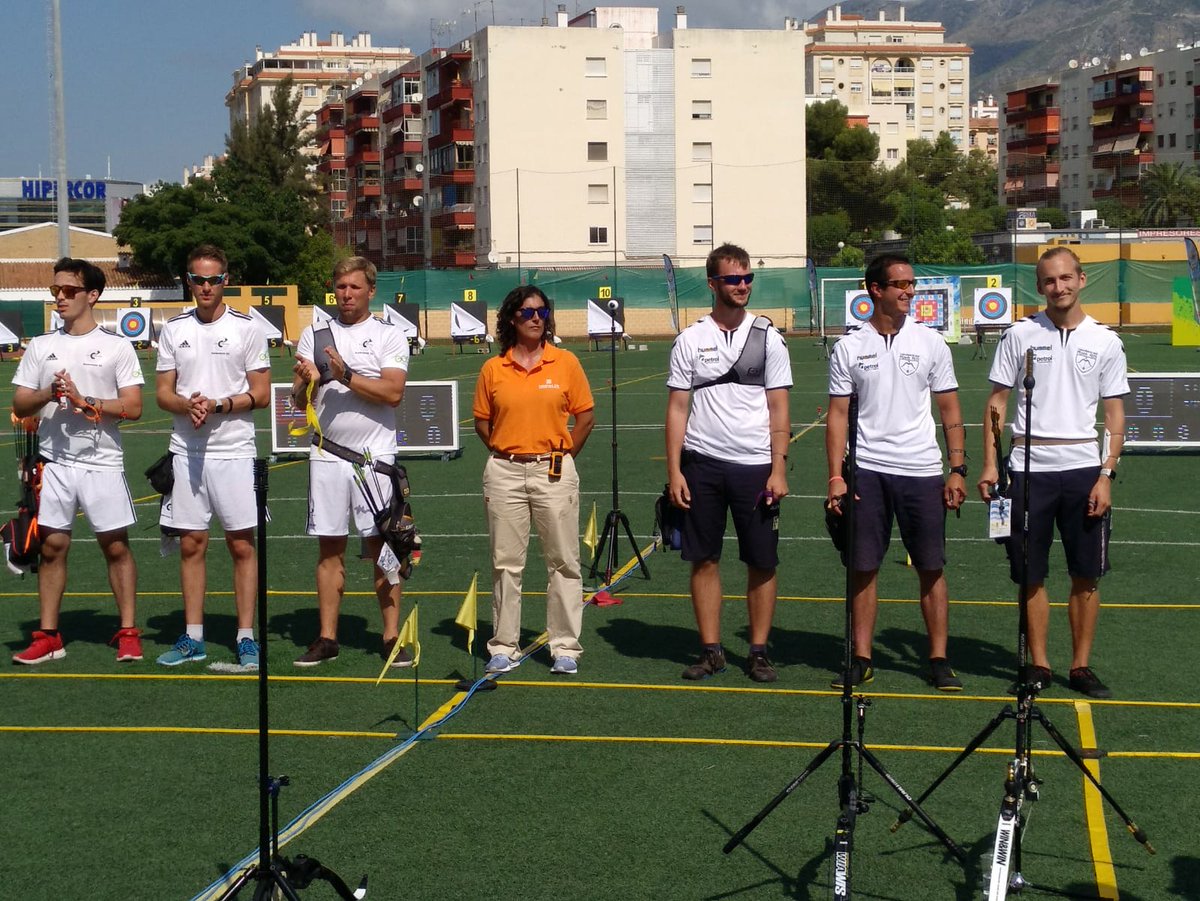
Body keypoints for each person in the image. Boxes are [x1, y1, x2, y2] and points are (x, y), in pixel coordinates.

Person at [977, 246, 1128, 699]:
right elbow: (997, 404)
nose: (1058, 287)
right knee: (1030, 573)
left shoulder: (1105, 340)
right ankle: (1039, 665)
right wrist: (990, 462)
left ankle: (1080, 666)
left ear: (1081, 280)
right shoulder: (1019, 336)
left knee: (1086, 573)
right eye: (1048, 281)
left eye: (1065, 278)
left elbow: (1115, 416)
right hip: (1027, 469)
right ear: (1038, 286)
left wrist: (1107, 474)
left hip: (1083, 469)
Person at [825, 254, 967, 691]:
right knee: (863, 568)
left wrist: (957, 468)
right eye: (900, 284)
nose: (909, 291)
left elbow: (950, 409)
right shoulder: (848, 347)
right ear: (875, 290)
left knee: (931, 567)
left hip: (922, 470)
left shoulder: (931, 343)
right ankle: (862, 657)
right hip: (867, 471)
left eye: (912, 284)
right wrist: (835, 476)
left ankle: (938, 659)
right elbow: (837, 416)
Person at [666, 243, 792, 683]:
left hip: (756, 465)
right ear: (713, 284)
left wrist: (779, 468)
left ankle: (758, 651)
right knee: (703, 559)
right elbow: (678, 407)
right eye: (733, 279)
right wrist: (674, 472)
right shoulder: (691, 339)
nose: (743, 286)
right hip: (702, 464)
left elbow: (779, 407)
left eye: (747, 278)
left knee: (761, 560)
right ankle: (711, 650)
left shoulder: (768, 336)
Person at [11, 257, 144, 664]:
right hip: (54, 462)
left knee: (115, 545)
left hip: (102, 461)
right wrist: (50, 393)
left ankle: (127, 631)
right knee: (52, 545)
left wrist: (87, 402)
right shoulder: (42, 345)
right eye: (56, 291)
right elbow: (19, 402)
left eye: (69, 290)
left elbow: (134, 407)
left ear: (92, 295)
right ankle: (49, 635)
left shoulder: (117, 346)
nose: (60, 297)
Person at [153, 245, 270, 669]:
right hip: (187, 451)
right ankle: (193, 636)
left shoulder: (247, 328)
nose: (206, 286)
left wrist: (219, 405)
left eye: (214, 279)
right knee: (191, 543)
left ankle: (245, 636)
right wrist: (187, 406)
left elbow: (261, 394)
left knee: (241, 544)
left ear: (226, 281)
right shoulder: (173, 328)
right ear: (189, 280)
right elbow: (163, 393)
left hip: (234, 450)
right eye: (198, 279)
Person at [290, 257, 409, 667]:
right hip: (326, 456)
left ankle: (391, 636)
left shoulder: (390, 336)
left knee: (383, 548)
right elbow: (296, 398)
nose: (346, 294)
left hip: (374, 460)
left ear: (371, 290)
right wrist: (305, 380)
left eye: (355, 287)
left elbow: (393, 393)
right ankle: (327, 637)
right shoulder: (314, 334)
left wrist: (345, 375)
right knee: (329, 549)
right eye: (340, 287)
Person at [473, 286, 595, 675]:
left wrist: (562, 455)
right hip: (504, 471)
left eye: (542, 312)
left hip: (554, 470)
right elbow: (482, 421)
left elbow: (585, 417)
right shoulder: (494, 368)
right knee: (506, 563)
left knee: (563, 561)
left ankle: (565, 648)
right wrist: (507, 450)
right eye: (527, 313)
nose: (536, 319)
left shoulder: (566, 363)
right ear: (512, 318)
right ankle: (503, 646)